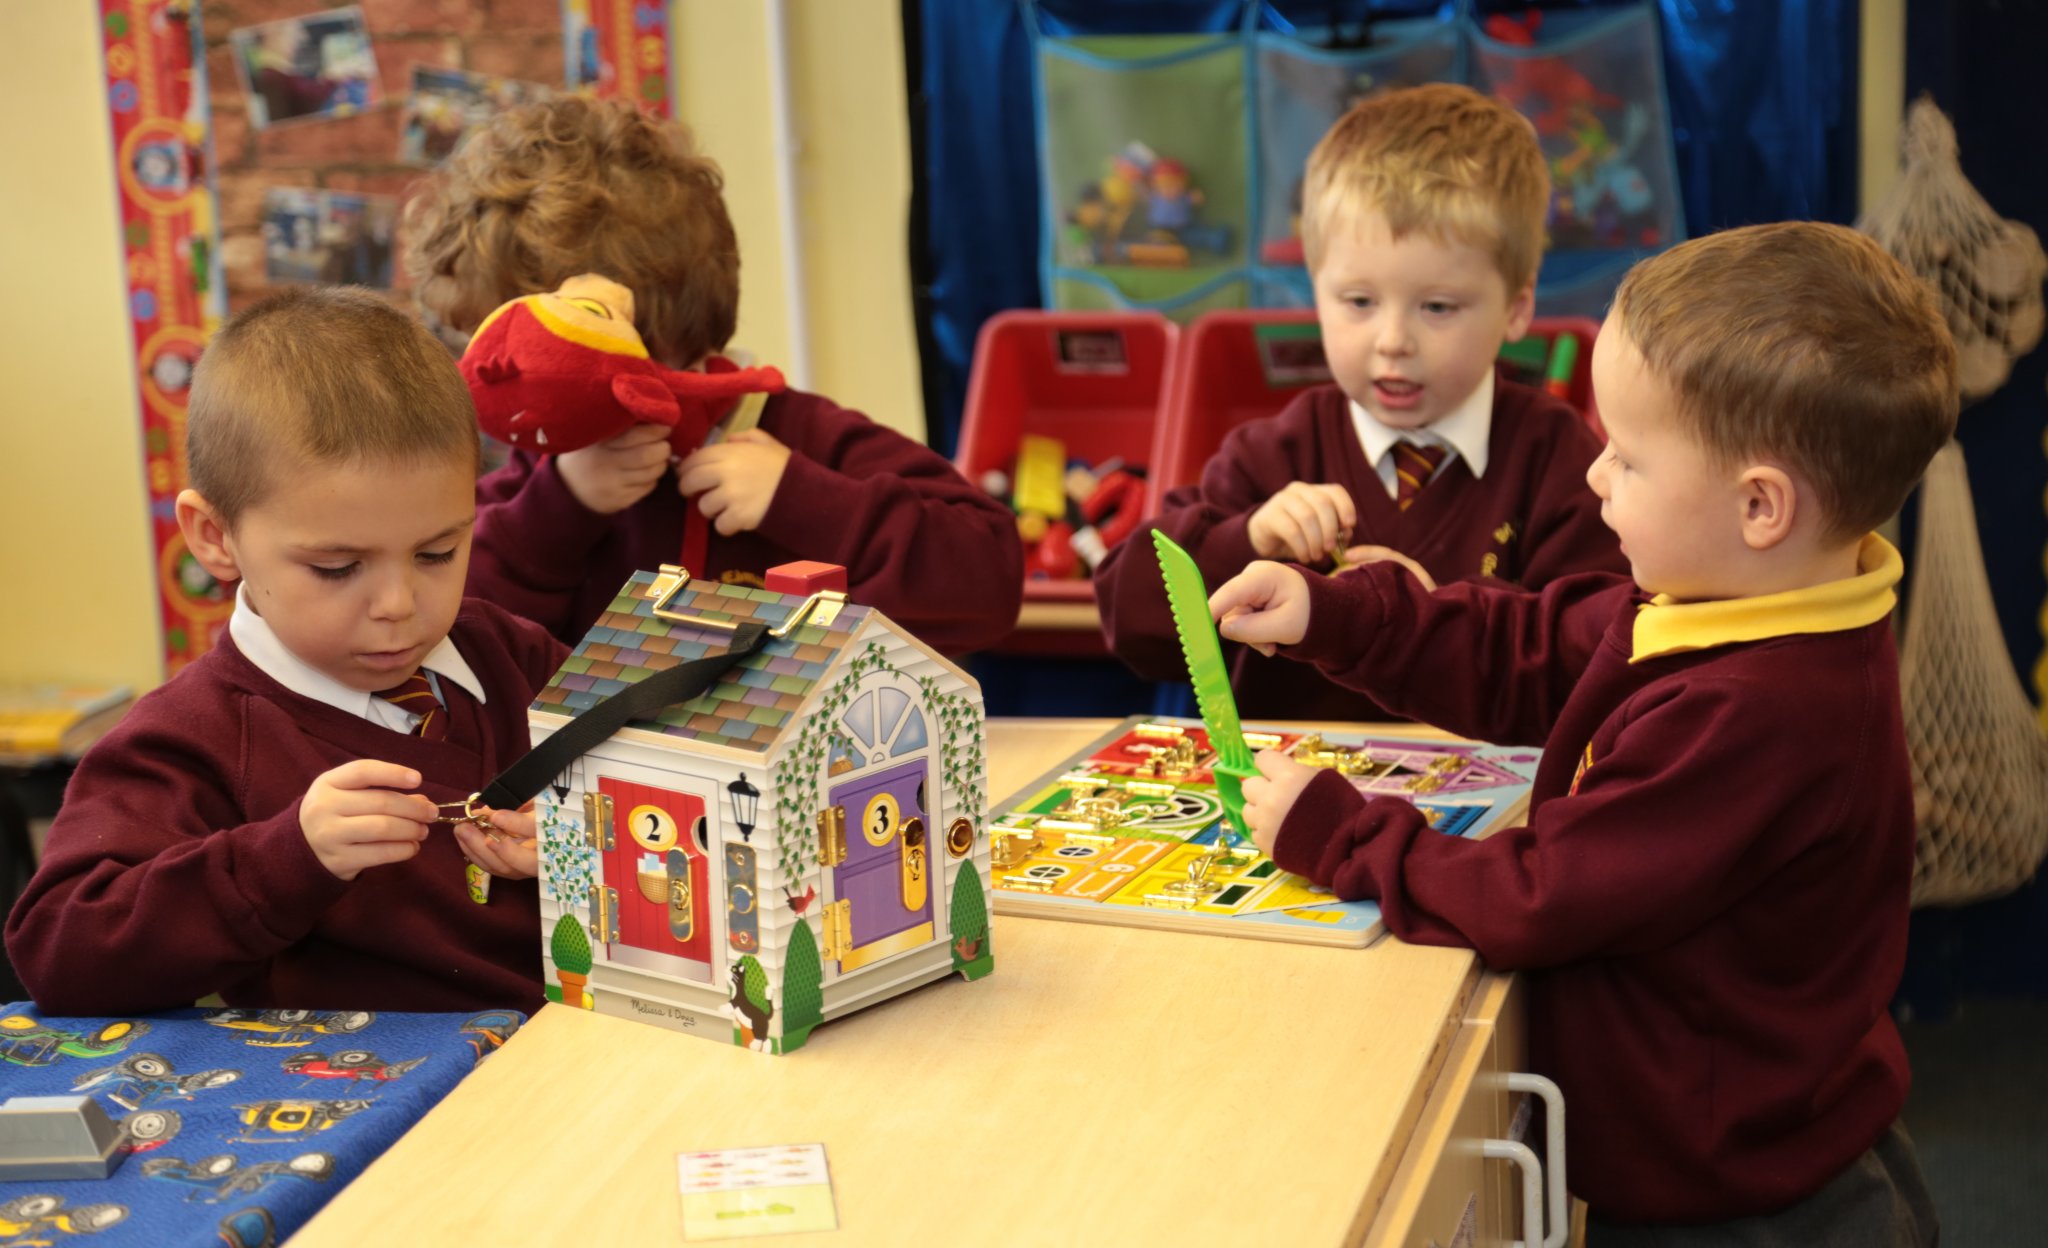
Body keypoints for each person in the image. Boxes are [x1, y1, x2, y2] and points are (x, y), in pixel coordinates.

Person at [1212, 221, 1958, 1248]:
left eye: (1626, 457)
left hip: (1736, 1238)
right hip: (1768, 1171)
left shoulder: (1758, 705)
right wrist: (1339, 615)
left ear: (1759, 507)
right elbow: (1536, 647)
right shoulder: (1738, 598)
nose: (1593, 473)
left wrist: (1337, 831)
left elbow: (1545, 891)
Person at [7, 289, 568, 1015]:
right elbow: (58, 948)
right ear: (215, 536)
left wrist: (572, 848)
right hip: (384, 1112)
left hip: (577, 1063)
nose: (398, 603)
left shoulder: (513, 657)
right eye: (337, 568)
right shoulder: (187, 737)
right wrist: (285, 858)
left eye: (437, 552)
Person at [403, 94, 1023, 654]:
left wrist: (799, 498)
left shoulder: (801, 437)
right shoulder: (545, 474)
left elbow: (988, 584)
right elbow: (447, 638)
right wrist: (562, 507)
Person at [1095, 83, 1622, 720]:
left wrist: (1432, 618)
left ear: (1517, 309)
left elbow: (1600, 656)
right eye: (1359, 303)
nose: (1393, 342)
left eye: (1437, 307)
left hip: (1486, 807)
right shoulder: (1272, 453)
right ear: (1314, 294)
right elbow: (1129, 619)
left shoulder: (1559, 459)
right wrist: (1250, 538)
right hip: (1286, 805)